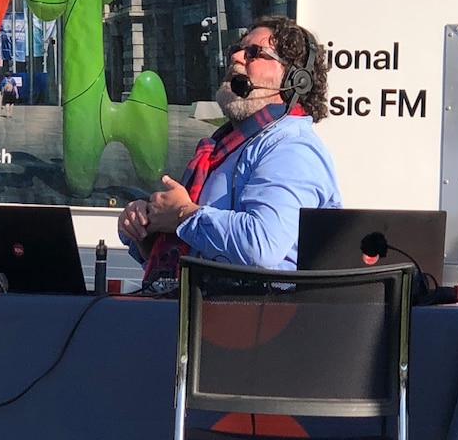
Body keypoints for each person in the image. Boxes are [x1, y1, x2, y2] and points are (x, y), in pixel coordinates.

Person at [117, 15, 342, 285]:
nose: (236, 56)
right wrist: (146, 227)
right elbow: (202, 248)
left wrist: (182, 215)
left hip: (260, 321)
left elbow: (261, 245)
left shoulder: (291, 147)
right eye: (237, 49)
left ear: (295, 79)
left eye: (254, 53)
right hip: (201, 313)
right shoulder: (225, 146)